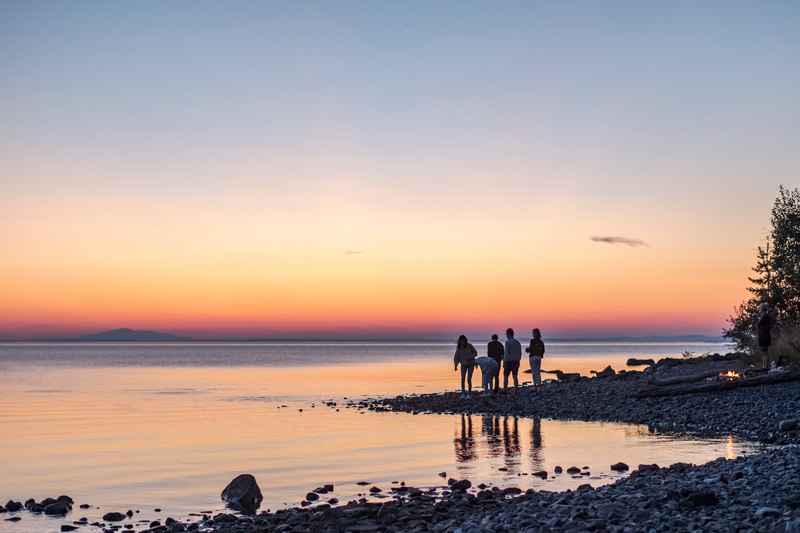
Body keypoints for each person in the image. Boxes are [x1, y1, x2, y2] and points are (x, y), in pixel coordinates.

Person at [454, 335, 478, 399]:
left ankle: (469, 394)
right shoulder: (459, 348)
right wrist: (456, 365)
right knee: (463, 379)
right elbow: (456, 357)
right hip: (463, 365)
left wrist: (470, 356)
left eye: (463, 339)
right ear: (460, 341)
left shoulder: (469, 346)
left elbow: (475, 353)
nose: (463, 341)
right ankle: (463, 393)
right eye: (461, 340)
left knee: (469, 379)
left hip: (471, 364)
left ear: (465, 340)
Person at [525, 328, 545, 393]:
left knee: (533, 371)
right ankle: (539, 385)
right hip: (539, 357)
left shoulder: (532, 341)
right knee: (538, 371)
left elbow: (531, 349)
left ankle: (535, 385)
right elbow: (543, 351)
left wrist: (527, 350)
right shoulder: (541, 342)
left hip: (533, 357)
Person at [503, 328, 522, 393]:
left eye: (506, 334)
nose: (506, 336)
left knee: (506, 376)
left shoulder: (507, 342)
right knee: (515, 376)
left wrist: (504, 361)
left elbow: (506, 353)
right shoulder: (518, 343)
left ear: (508, 334)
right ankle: (516, 389)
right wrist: (519, 359)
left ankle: (505, 390)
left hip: (508, 361)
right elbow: (520, 352)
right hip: (516, 361)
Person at [757, 302, 772, 370]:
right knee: (762, 352)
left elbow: (765, 327)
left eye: (759, 308)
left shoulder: (766, 317)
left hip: (765, 336)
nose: (758, 310)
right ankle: (764, 366)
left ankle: (766, 367)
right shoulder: (762, 317)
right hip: (762, 336)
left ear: (762, 309)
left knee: (765, 352)